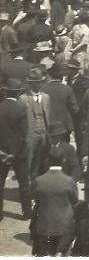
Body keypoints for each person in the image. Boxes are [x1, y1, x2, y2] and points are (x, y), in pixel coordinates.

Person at [30, 147, 78, 256]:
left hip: (44, 227)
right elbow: (74, 200)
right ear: (63, 160)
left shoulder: (39, 181)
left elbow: (35, 200)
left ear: (48, 160)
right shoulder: (69, 181)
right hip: (64, 228)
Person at [0, 80, 31, 220]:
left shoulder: (0, 107)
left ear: (6, 91)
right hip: (19, 153)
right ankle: (26, 212)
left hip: (1, 153)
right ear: (18, 93)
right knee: (24, 183)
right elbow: (23, 134)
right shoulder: (21, 109)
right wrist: (14, 153)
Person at [19, 67, 52, 178]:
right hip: (30, 134)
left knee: (40, 162)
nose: (39, 85)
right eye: (36, 83)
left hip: (43, 133)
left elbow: (47, 115)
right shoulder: (23, 98)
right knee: (29, 161)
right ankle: (26, 187)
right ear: (30, 84)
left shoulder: (46, 97)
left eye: (40, 82)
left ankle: (37, 187)